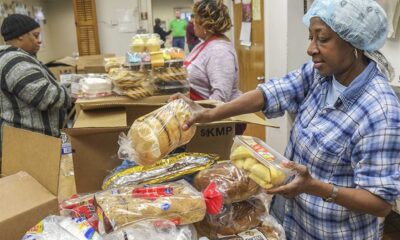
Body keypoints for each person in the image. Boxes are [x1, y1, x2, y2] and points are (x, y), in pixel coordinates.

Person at [173, 0, 400, 239]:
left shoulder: (380, 111)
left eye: (322, 39)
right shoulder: (320, 75)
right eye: (310, 37)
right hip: (291, 219)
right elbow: (270, 93)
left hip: (331, 231)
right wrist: (209, 113)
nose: (311, 48)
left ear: (354, 42)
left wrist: (314, 186)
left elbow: (379, 202)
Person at [0, 14, 71, 158]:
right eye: (35, 35)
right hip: (30, 143)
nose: (39, 41)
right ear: (20, 36)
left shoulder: (21, 57)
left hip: (34, 140)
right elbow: (46, 97)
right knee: (37, 180)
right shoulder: (14, 62)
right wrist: (72, 92)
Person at [185, 0, 241, 103]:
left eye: (195, 18)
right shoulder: (202, 44)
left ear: (205, 24)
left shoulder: (220, 51)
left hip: (211, 115)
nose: (193, 22)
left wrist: (197, 111)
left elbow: (220, 97)